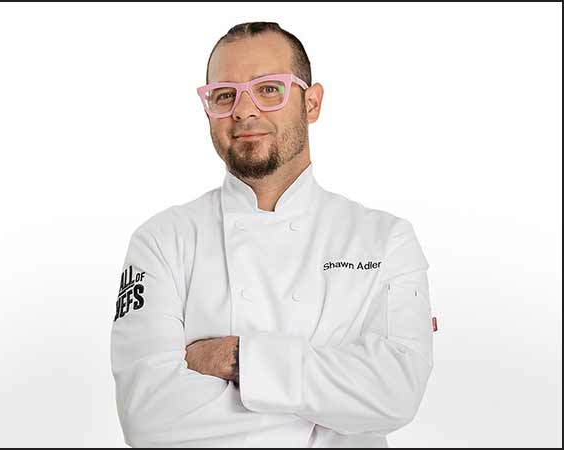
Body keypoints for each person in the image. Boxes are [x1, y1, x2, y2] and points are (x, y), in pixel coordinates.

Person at [110, 21, 435, 448]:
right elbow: (147, 417)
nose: (244, 111)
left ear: (312, 103)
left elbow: (395, 395)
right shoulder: (161, 241)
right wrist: (325, 419)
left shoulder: (385, 240)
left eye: (268, 89)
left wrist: (235, 358)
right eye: (224, 95)